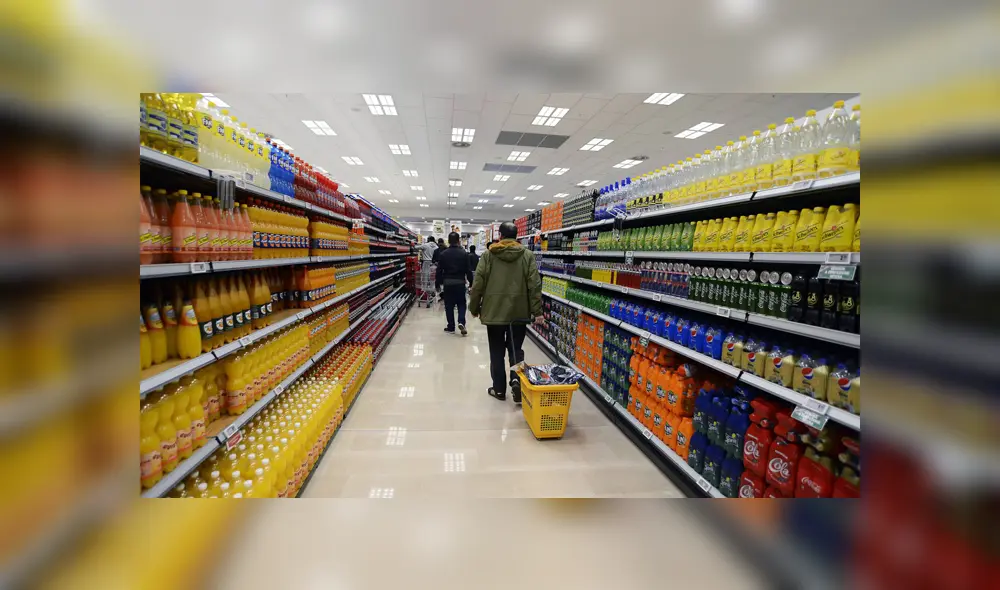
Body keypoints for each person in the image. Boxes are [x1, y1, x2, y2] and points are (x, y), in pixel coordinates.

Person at [469, 221, 544, 403]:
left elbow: (478, 283)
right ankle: (516, 380)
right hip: (519, 313)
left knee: (496, 352)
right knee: (515, 350)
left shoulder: (488, 255)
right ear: (517, 236)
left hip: (494, 312)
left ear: (500, 236)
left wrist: (474, 307)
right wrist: (537, 311)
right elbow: (534, 285)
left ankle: (499, 389)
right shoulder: (527, 255)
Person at [436, 232, 474, 335]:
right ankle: (461, 321)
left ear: (448, 241)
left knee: (449, 305)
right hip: (460, 282)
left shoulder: (443, 254)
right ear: (458, 241)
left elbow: (439, 270)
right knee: (461, 304)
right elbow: (468, 270)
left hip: (448, 283)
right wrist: (471, 282)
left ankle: (451, 327)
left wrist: (437, 283)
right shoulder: (464, 253)